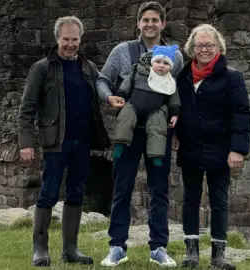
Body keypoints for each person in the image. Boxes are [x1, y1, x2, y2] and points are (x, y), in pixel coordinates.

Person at [17, 15, 110, 267]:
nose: (70, 44)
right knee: (48, 193)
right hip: (55, 143)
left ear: (81, 39)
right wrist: (26, 142)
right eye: (66, 39)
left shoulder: (88, 67)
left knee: (76, 193)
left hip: (83, 141)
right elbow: (27, 109)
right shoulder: (42, 68)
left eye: (75, 39)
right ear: (57, 38)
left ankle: (71, 249)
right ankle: (40, 249)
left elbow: (104, 90)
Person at [96, 2, 184, 267]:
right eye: (145, 20)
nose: (150, 24)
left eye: (155, 20)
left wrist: (178, 129)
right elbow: (102, 79)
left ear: (163, 24)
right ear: (138, 23)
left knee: (159, 190)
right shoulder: (123, 51)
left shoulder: (175, 57)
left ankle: (158, 247)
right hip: (129, 131)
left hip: (160, 132)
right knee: (122, 188)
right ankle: (117, 247)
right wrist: (109, 97)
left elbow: (177, 94)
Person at [174, 24, 250, 270]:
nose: (204, 49)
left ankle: (218, 255)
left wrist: (238, 149)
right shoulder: (183, 77)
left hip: (221, 149)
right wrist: (175, 134)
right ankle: (191, 252)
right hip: (191, 147)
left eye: (210, 45)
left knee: (219, 201)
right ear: (191, 48)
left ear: (218, 47)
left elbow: (241, 114)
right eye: (199, 45)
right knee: (190, 200)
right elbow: (175, 108)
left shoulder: (232, 77)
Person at [112, 45, 181, 168]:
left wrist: (175, 113)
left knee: (158, 129)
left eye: (166, 63)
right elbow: (127, 83)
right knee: (125, 118)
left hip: (156, 109)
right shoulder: (138, 72)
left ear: (170, 67)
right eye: (158, 61)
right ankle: (119, 144)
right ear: (152, 61)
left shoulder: (170, 82)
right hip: (134, 104)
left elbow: (174, 99)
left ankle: (156, 155)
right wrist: (121, 94)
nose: (161, 65)